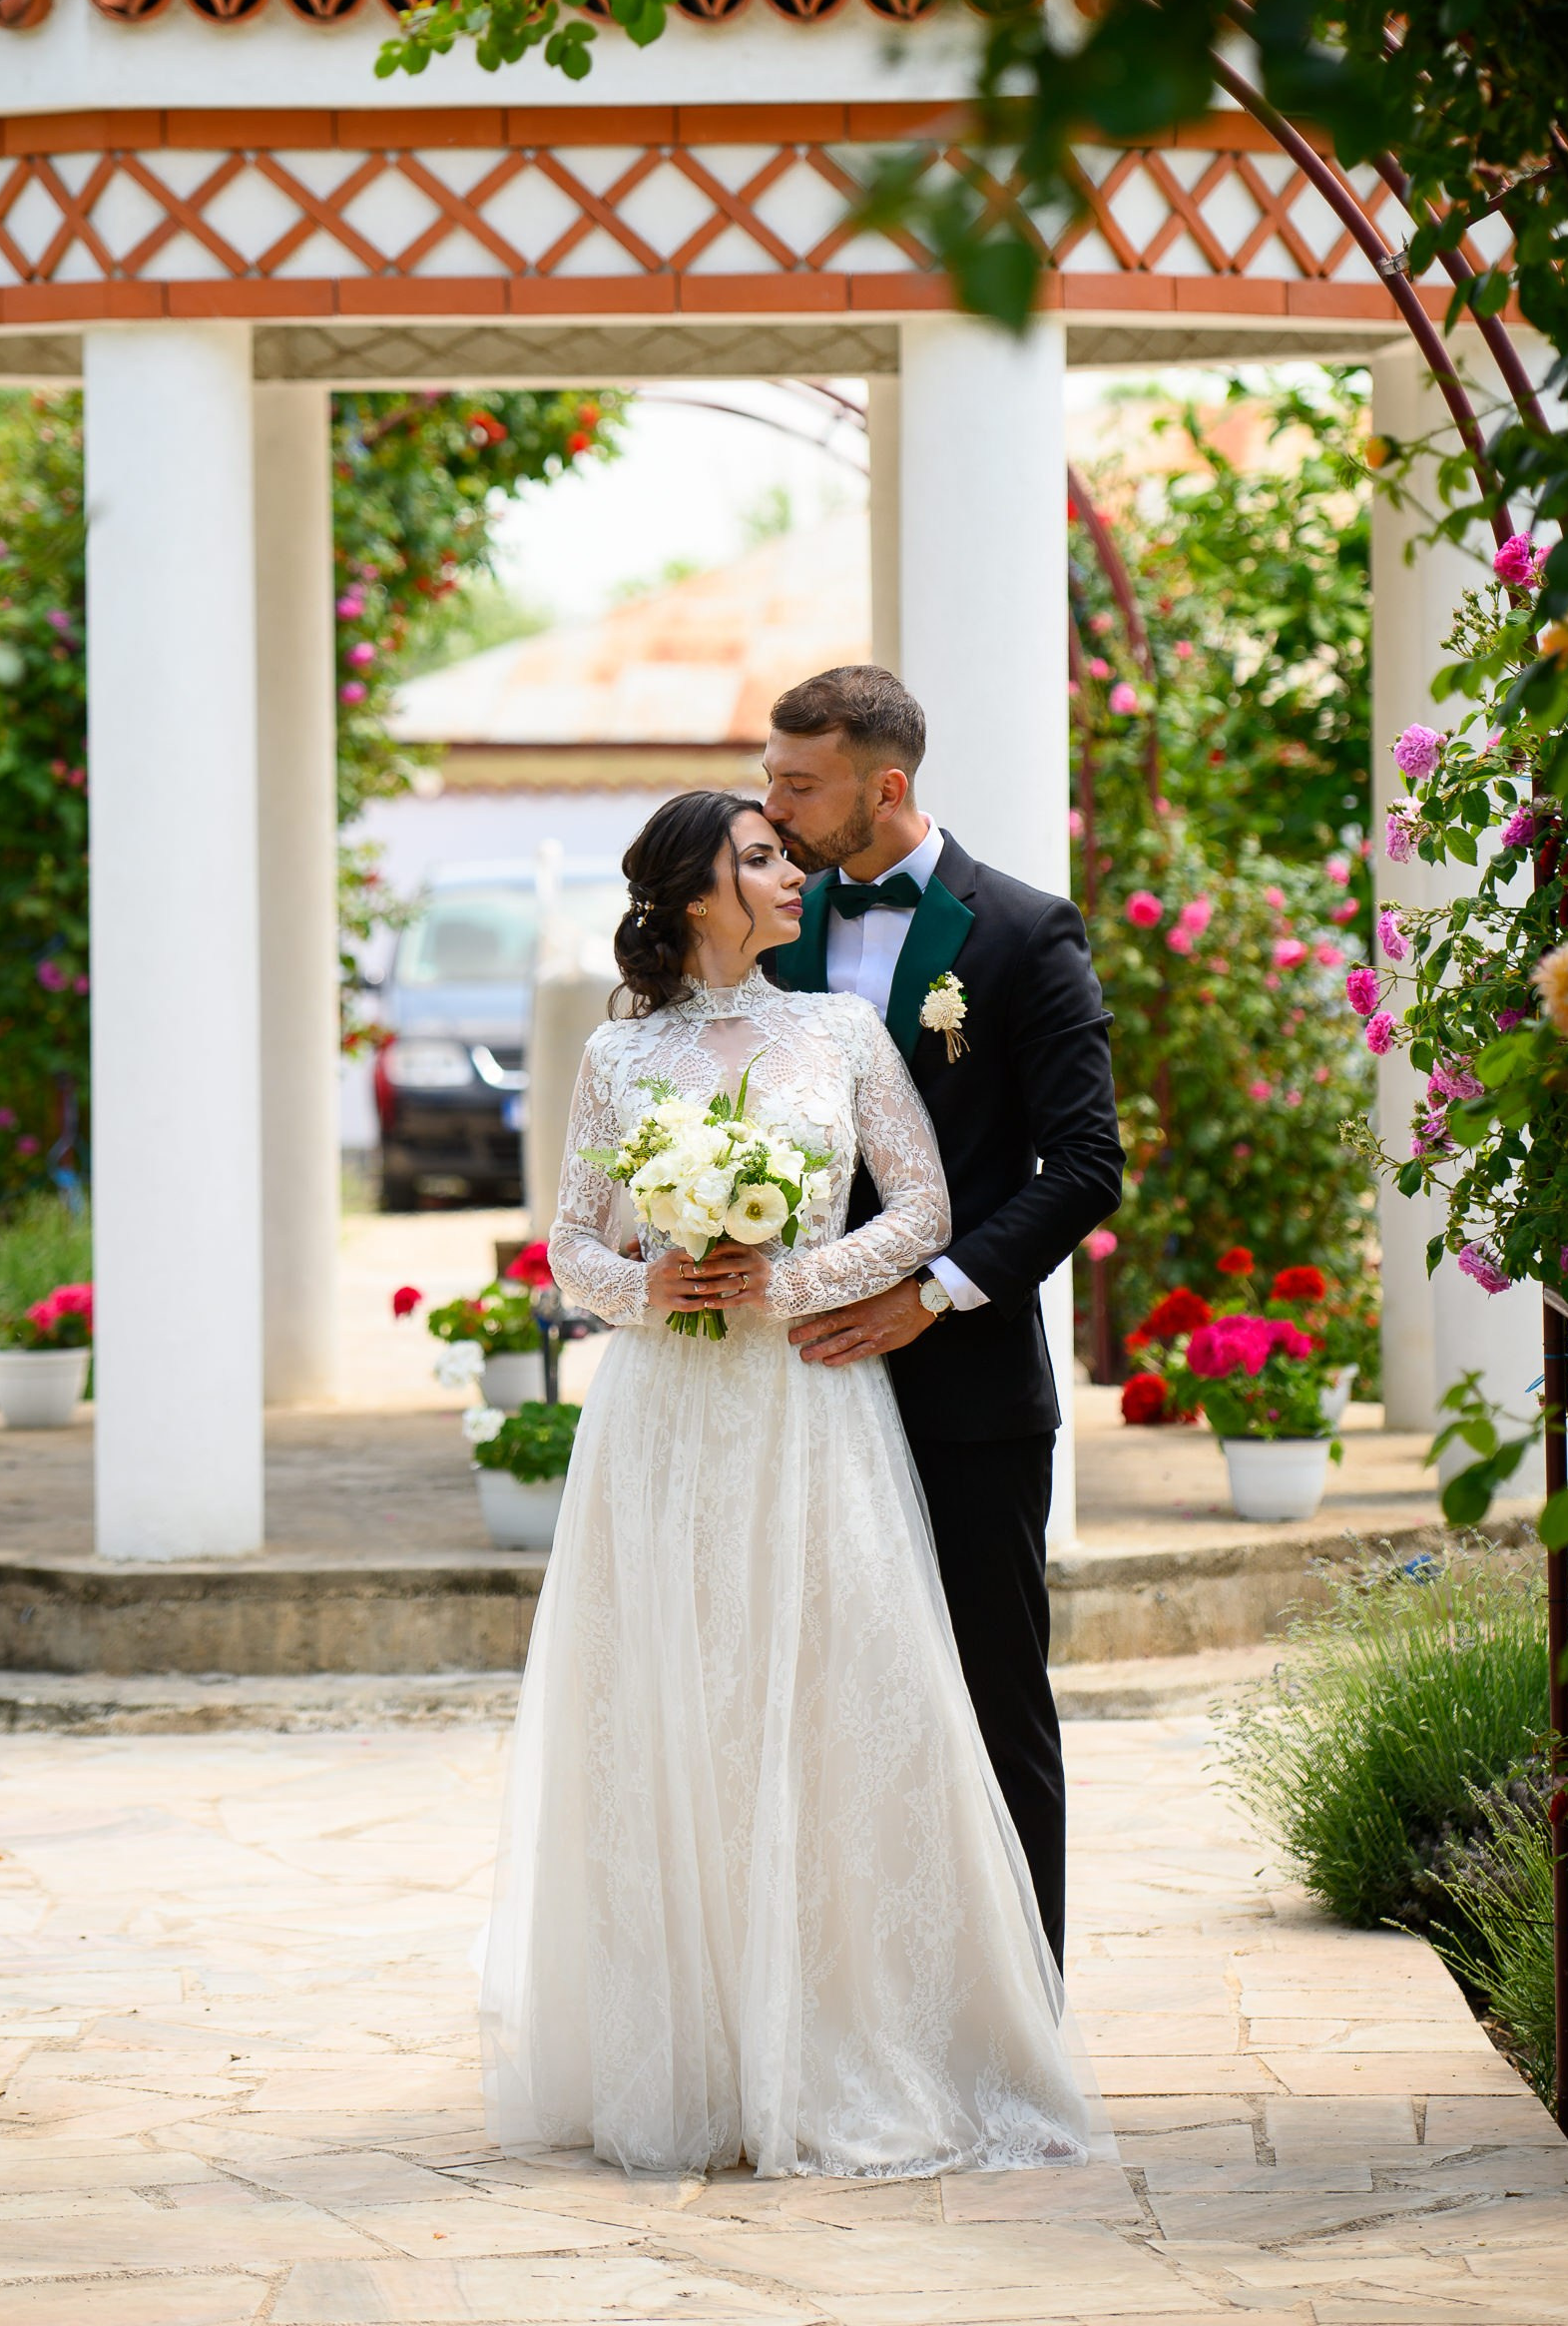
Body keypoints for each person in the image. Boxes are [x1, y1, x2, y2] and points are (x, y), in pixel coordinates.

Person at [481, 787, 1094, 2181]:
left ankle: (833, 2041)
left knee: (823, 1700)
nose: (788, 873)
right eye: (758, 858)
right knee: (673, 1705)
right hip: (662, 1420)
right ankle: (691, 2056)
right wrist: (650, 1286)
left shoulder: (840, 1032)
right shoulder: (617, 1055)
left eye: (783, 852)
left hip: (811, 1407)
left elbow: (925, 1206)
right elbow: (570, 1242)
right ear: (697, 893)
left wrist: (793, 1283)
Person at [760, 664, 1126, 1968]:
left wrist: (933, 1295)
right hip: (790, 1381)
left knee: (991, 1698)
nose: (776, 809)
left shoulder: (1023, 932)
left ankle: (1023, 2008)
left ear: (887, 784)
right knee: (815, 1701)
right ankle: (843, 1996)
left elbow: (1086, 1165)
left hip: (966, 1388)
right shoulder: (766, 928)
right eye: (769, 781)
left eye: (801, 785)